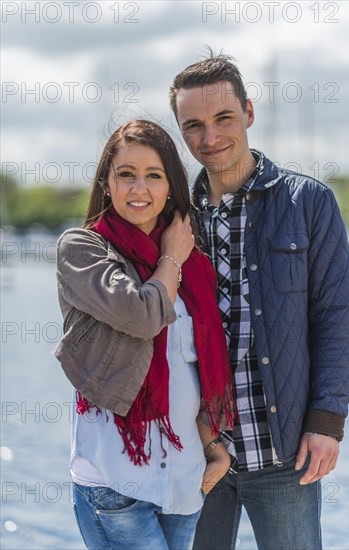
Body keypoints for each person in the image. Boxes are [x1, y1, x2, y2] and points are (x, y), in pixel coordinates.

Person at [169, 52, 349, 550]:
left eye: (223, 118)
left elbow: (335, 315)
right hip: (197, 449)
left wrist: (326, 424)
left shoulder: (309, 202)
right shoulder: (175, 219)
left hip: (285, 448)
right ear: (181, 132)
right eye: (194, 125)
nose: (210, 138)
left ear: (249, 112)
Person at [53, 119, 237, 550]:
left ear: (170, 185)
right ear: (107, 183)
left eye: (153, 175)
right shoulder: (83, 249)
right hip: (116, 477)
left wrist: (214, 446)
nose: (140, 189)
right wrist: (171, 257)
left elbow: (189, 367)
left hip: (183, 475)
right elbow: (141, 316)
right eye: (126, 174)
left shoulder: (193, 267)